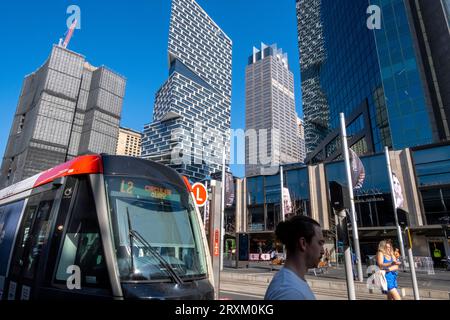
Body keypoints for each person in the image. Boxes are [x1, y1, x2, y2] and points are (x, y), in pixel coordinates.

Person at [264, 215, 325, 300]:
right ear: (303, 243)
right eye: (320, 243)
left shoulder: (292, 283)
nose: (323, 251)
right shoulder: (289, 292)